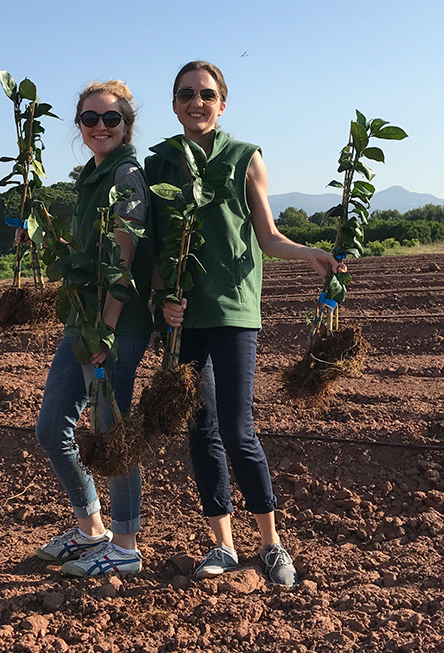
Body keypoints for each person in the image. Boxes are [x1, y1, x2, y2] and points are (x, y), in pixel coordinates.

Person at [146, 61, 347, 587]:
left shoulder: (244, 157)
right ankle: (223, 546)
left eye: (207, 94)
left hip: (234, 310)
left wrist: (309, 254)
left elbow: (266, 234)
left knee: (237, 429)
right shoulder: (161, 163)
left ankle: (272, 544)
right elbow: (157, 246)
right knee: (200, 429)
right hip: (183, 318)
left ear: (222, 104)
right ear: (174, 104)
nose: (197, 102)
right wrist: (162, 300)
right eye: (186, 94)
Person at [33, 80, 153, 577]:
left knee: (112, 435)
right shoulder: (92, 174)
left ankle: (124, 548)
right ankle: (91, 530)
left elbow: (122, 256)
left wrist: (104, 331)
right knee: (51, 427)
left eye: (110, 119)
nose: (99, 127)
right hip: (84, 322)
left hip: (115, 326)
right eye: (90, 119)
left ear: (126, 126)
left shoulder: (126, 175)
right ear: (79, 125)